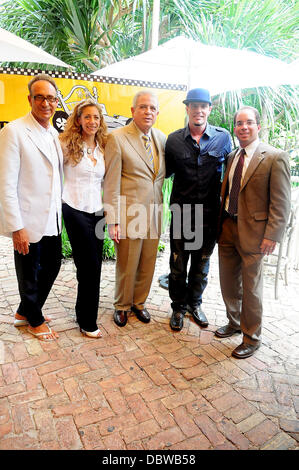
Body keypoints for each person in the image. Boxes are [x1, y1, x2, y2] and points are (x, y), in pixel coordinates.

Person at [215, 106, 291, 358]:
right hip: (227, 228)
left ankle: (252, 337)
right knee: (228, 282)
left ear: (258, 126)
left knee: (251, 288)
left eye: (248, 123)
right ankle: (235, 322)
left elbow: (281, 202)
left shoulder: (274, 157)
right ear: (234, 128)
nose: (243, 127)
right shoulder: (232, 156)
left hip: (256, 234)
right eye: (239, 123)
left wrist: (272, 234)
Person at [0, 73, 63, 341]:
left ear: (57, 101)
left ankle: (25, 311)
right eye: (40, 97)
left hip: (53, 217)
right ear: (30, 99)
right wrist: (17, 227)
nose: (46, 103)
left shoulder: (53, 133)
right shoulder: (13, 131)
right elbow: (5, 184)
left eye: (51, 98)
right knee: (29, 272)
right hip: (27, 219)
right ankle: (34, 319)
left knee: (52, 265)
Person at [165, 88, 232, 331]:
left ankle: (195, 304)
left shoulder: (223, 139)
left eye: (203, 106)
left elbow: (232, 175)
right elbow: (166, 173)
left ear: (209, 109)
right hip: (182, 215)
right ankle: (177, 307)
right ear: (188, 109)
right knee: (178, 265)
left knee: (201, 266)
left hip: (209, 216)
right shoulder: (173, 140)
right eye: (194, 106)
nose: (199, 110)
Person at [104, 90, 166, 327]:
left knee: (148, 262)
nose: (147, 111)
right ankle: (121, 305)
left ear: (157, 113)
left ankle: (139, 303)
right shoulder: (118, 138)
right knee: (127, 263)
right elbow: (111, 182)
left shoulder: (160, 138)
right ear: (132, 111)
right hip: (129, 214)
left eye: (152, 108)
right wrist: (113, 220)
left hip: (154, 213)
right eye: (142, 107)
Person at [59, 99, 107, 338]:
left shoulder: (104, 147)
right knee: (89, 265)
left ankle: (83, 312)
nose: (92, 121)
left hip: (97, 213)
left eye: (96, 117)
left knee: (93, 266)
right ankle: (88, 321)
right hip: (74, 209)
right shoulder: (65, 144)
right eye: (87, 117)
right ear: (78, 120)